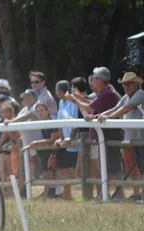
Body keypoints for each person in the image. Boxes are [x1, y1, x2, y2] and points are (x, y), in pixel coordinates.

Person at [70, 66, 123, 200]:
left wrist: (74, 100)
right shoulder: (106, 92)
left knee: (114, 168)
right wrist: (80, 97)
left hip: (110, 134)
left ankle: (118, 195)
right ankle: (110, 194)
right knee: (108, 167)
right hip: (107, 135)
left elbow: (89, 107)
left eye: (93, 78)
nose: (91, 81)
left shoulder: (107, 93)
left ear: (99, 79)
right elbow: (93, 104)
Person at [97, 72, 144, 201]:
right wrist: (98, 116)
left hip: (142, 138)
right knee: (140, 166)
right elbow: (114, 108)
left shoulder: (140, 94)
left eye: (129, 84)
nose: (126, 87)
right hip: (136, 139)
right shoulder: (125, 97)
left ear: (135, 84)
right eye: (124, 84)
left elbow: (127, 108)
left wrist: (110, 117)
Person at [53, 80, 79, 200]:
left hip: (73, 141)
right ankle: (66, 194)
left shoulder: (73, 103)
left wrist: (70, 138)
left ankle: (69, 194)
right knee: (63, 167)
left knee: (70, 168)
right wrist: (60, 137)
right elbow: (60, 122)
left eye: (57, 90)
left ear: (62, 91)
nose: (56, 92)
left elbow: (75, 122)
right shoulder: (61, 102)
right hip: (64, 139)